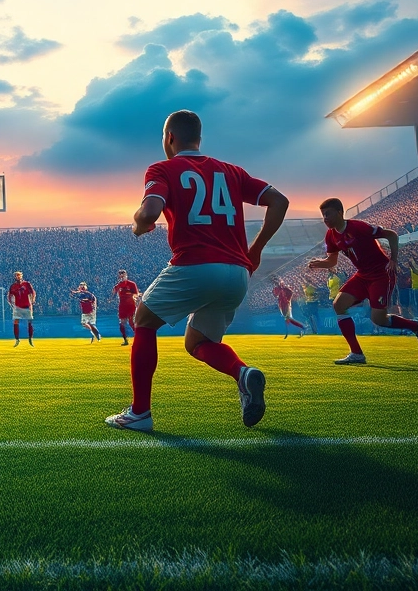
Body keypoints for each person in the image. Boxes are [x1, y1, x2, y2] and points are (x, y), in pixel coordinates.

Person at [106, 110, 289, 433]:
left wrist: (138, 224)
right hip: (236, 273)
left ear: (169, 138)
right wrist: (256, 250)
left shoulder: (162, 168)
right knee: (198, 343)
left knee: (143, 322)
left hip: (195, 265)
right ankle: (244, 374)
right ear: (199, 138)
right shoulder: (231, 172)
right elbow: (279, 201)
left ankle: (140, 412)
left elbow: (149, 212)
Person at [308, 199, 418, 365]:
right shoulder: (330, 235)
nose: (325, 218)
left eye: (328, 214)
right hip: (362, 275)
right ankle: (356, 353)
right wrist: (320, 263)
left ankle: (416, 326)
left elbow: (391, 235)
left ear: (339, 212)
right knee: (339, 305)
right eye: (323, 215)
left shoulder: (359, 227)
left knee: (379, 319)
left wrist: (393, 259)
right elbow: (332, 261)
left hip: (381, 274)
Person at [9, 270, 37, 347]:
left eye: (19, 275)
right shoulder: (13, 286)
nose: (17, 276)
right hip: (17, 307)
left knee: (30, 322)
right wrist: (12, 304)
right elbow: (9, 296)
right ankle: (17, 340)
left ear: (21, 276)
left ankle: (30, 339)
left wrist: (32, 301)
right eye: (16, 275)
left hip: (27, 306)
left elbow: (33, 293)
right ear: (14, 277)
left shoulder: (27, 284)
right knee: (15, 322)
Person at [112, 270, 139, 346]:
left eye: (123, 274)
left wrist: (133, 297)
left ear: (126, 275)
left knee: (131, 322)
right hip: (122, 306)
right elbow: (114, 294)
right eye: (120, 274)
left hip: (131, 305)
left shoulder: (132, 284)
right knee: (122, 323)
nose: (121, 276)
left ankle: (139, 338)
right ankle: (125, 340)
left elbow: (136, 295)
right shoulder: (118, 285)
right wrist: (113, 292)